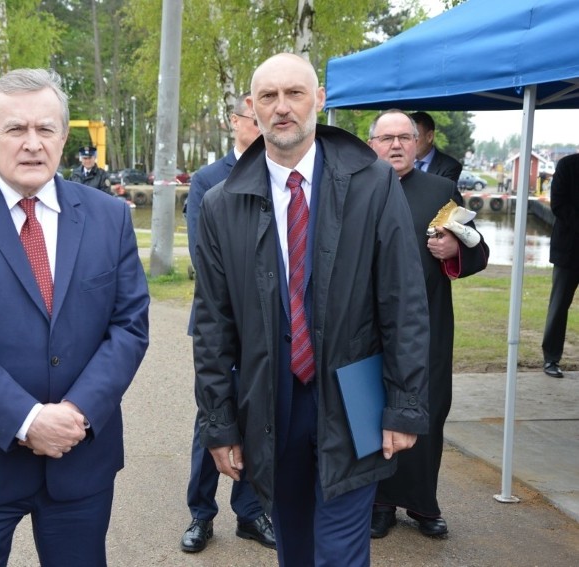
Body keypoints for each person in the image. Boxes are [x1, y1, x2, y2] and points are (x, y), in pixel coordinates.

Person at [192, 52, 430, 567]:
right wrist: (219, 424)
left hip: (353, 396)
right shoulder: (220, 203)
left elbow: (403, 298)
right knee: (294, 544)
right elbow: (213, 325)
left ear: (319, 100)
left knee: (341, 553)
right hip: (270, 398)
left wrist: (405, 404)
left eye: (295, 93)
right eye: (269, 97)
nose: (283, 108)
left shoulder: (372, 182)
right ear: (251, 108)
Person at [0, 68, 150, 567]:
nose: (32, 144)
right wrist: (27, 421)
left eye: (45, 129)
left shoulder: (110, 218)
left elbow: (129, 326)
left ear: (64, 137)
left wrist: (77, 414)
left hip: (79, 458)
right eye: (15, 129)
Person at [368, 110, 489, 539]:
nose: (396, 145)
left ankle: (422, 503)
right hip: (370, 328)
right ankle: (378, 504)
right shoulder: (354, 189)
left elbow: (479, 250)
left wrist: (456, 246)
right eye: (387, 138)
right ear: (372, 145)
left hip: (429, 324)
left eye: (406, 137)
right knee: (375, 411)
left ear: (419, 144)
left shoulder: (441, 190)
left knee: (428, 409)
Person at [180, 93, 274, 553]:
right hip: (221, 321)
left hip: (269, 327)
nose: (260, 127)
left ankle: (251, 512)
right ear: (234, 122)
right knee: (213, 418)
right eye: (252, 120)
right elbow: (204, 253)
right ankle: (201, 513)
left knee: (260, 415)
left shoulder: (279, 175)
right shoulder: (207, 180)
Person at [542, 152, 579, 378]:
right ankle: (551, 358)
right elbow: (558, 204)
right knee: (558, 307)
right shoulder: (567, 166)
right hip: (569, 249)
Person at [410, 111, 463, 183]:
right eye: (405, 137)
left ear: (429, 137)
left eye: (414, 136)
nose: (410, 142)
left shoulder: (450, 166)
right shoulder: (399, 162)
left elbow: (442, 193)